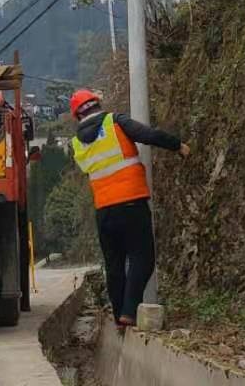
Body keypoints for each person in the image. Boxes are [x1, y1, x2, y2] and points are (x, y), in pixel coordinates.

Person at [68, 88, 189, 330]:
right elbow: (148, 134)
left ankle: (119, 317)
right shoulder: (115, 122)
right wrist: (178, 146)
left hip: (104, 210)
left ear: (77, 116)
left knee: (114, 264)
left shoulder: (76, 143)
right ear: (97, 104)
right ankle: (129, 311)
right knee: (143, 257)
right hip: (132, 201)